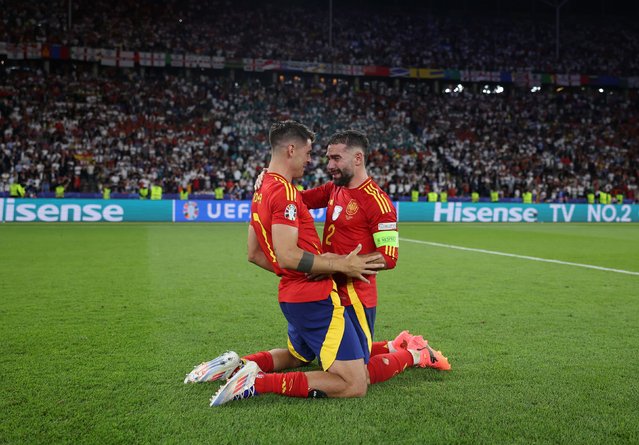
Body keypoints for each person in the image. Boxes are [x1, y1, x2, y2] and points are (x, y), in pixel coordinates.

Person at [187, 126, 449, 404]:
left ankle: (408, 350)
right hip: (323, 288)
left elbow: (389, 257)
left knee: (346, 364)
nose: (329, 165)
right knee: (327, 362)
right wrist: (268, 178)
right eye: (326, 157)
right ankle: (411, 351)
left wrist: (342, 267)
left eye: (336, 158)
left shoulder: (378, 202)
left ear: (358, 159)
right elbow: (289, 199)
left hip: (355, 295)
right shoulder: (332, 189)